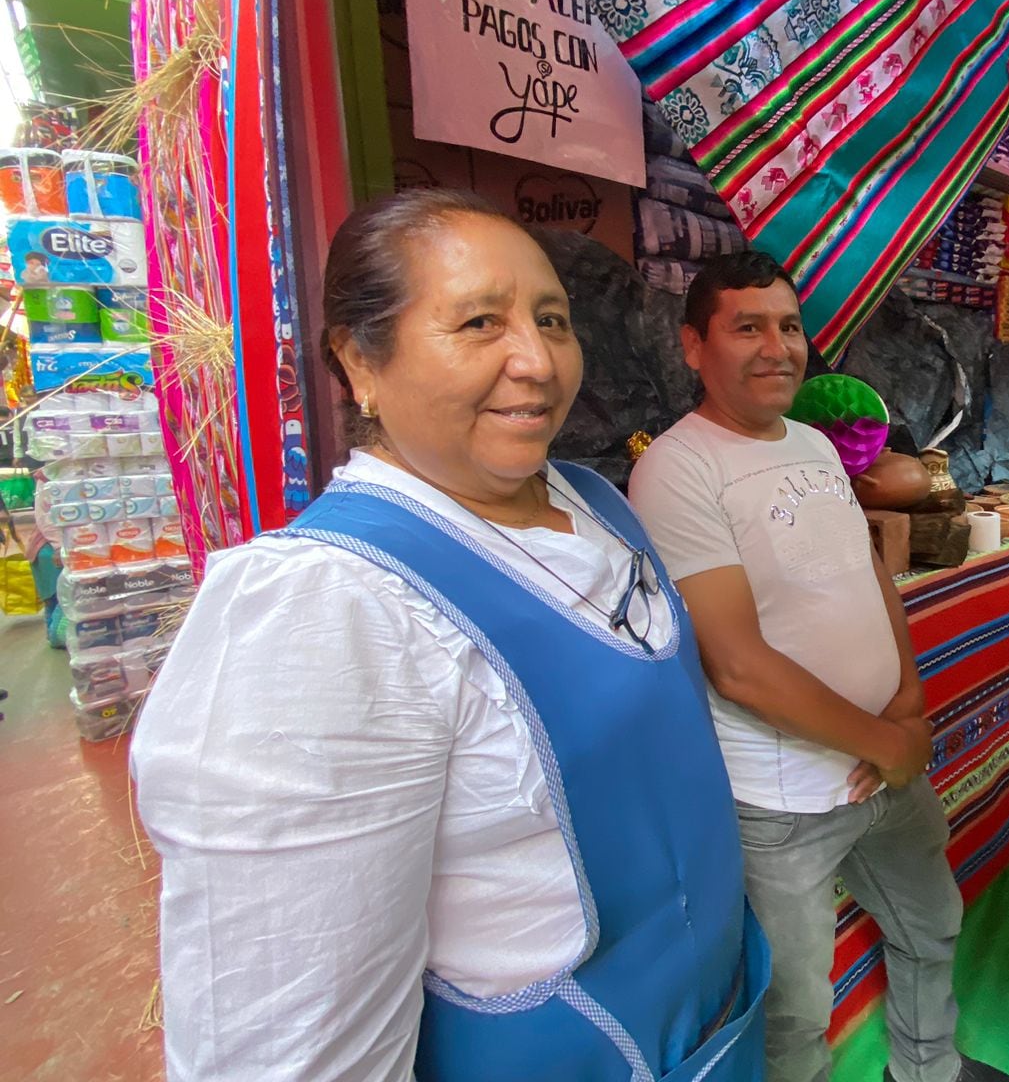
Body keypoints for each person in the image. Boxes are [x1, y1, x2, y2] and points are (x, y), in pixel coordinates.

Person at [132, 190, 766, 1081]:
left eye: (553, 320)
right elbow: (291, 1049)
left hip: (721, 1035)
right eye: (478, 323)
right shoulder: (329, 608)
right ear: (360, 361)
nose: (538, 362)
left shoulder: (595, 502)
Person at [630, 252, 1009, 1082]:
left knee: (930, 926)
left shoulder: (812, 443)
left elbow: (867, 572)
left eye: (790, 326)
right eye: (748, 328)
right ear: (694, 346)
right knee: (795, 1012)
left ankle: (927, 1070)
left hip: (884, 768)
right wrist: (888, 742)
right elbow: (737, 666)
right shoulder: (676, 469)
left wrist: (907, 705)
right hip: (785, 800)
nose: (778, 348)